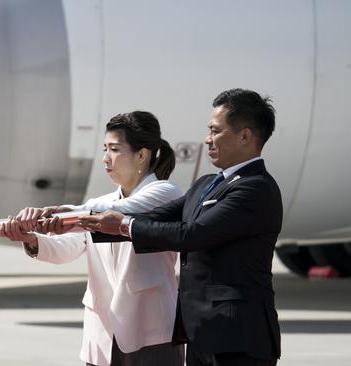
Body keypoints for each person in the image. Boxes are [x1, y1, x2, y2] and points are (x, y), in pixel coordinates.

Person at [80, 89, 282, 366]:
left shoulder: (255, 188)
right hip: (200, 333)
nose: (207, 139)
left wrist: (124, 225)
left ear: (245, 136)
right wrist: (76, 221)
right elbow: (155, 217)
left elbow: (193, 234)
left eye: (215, 131)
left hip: (239, 335)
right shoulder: (207, 184)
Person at [0, 111, 185, 366]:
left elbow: (118, 212)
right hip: (101, 333)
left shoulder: (166, 192)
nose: (106, 158)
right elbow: (67, 249)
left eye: (115, 149)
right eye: (105, 149)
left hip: (151, 330)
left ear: (142, 155)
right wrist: (31, 239)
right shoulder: (101, 204)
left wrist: (55, 213)